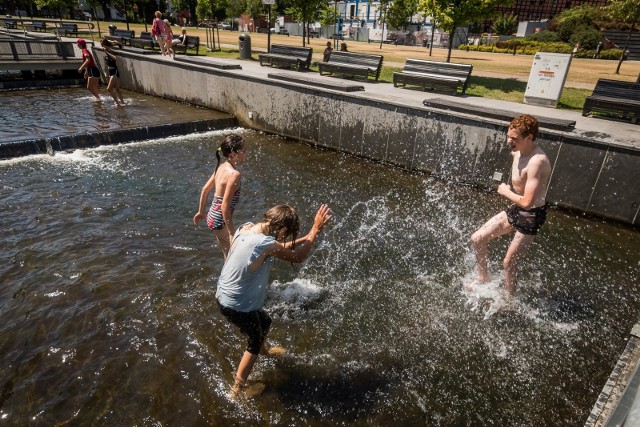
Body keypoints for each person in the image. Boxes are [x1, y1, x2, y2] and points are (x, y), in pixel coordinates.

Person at [216, 203, 333, 398]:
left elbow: (274, 248)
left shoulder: (247, 228)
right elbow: (298, 256)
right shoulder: (264, 244)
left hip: (224, 298)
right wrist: (315, 230)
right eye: (286, 234)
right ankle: (237, 389)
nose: (285, 238)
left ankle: (265, 351)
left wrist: (304, 238)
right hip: (237, 306)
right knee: (254, 339)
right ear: (284, 229)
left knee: (265, 321)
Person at [469, 114, 551, 298]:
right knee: (477, 238)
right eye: (508, 136)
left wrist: (505, 191)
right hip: (517, 208)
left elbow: (528, 203)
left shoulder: (537, 161)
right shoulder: (518, 151)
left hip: (531, 215)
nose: (509, 141)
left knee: (509, 263)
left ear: (529, 138)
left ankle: (509, 300)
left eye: (514, 139)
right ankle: (483, 278)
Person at [193, 134, 246, 259]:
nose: (246, 154)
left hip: (211, 217)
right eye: (244, 151)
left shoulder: (221, 167)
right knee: (241, 253)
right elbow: (224, 207)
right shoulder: (234, 174)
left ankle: (226, 277)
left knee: (228, 255)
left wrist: (201, 212)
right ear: (233, 153)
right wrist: (232, 232)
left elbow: (205, 190)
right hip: (219, 221)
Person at [100, 37, 125, 106]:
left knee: (109, 88)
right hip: (110, 71)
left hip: (114, 71)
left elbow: (115, 58)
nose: (101, 46)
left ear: (104, 45)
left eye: (102, 45)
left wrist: (106, 52)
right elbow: (109, 42)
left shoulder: (110, 51)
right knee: (117, 89)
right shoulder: (107, 49)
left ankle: (117, 103)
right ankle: (122, 102)